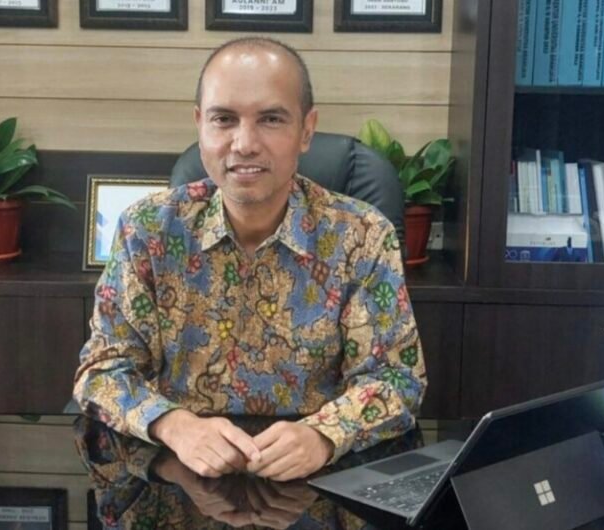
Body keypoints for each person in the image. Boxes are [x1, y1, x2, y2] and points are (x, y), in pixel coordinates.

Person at [74, 36, 426, 482]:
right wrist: (176, 426)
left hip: (317, 477)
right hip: (182, 474)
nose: (244, 143)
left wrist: (324, 434)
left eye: (271, 119)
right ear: (200, 125)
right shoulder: (147, 230)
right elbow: (102, 372)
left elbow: (397, 379)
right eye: (224, 119)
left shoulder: (362, 235)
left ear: (307, 130)